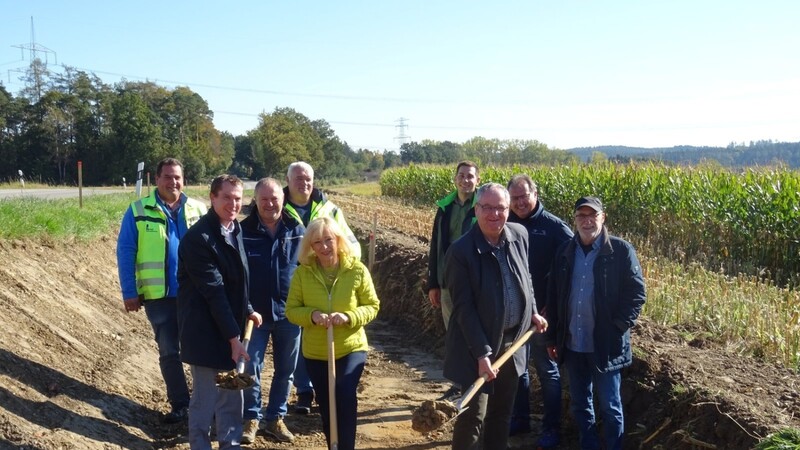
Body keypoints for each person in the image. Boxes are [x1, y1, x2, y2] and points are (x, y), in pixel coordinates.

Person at [443, 183, 548, 450]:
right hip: (476, 348)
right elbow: (463, 309)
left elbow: (527, 279)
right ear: (476, 210)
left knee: (501, 415)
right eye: (487, 208)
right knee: (473, 416)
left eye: (501, 208)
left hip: (513, 345)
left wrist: (533, 312)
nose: (495, 214)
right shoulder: (460, 252)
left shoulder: (519, 235)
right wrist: (482, 354)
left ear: (508, 209)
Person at [545, 196, 646, 450]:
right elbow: (554, 298)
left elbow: (636, 294)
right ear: (575, 220)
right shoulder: (564, 253)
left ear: (603, 218)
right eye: (581, 216)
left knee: (611, 407)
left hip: (606, 345)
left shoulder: (621, 251)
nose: (587, 221)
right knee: (580, 404)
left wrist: (617, 328)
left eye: (593, 215)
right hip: (573, 344)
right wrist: (552, 337)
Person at [115, 157, 206, 424]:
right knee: (169, 351)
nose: (173, 182)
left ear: (183, 180)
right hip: (159, 298)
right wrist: (129, 291)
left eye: (177, 177)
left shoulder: (199, 210)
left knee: (200, 350)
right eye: (167, 177)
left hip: (196, 296)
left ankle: (204, 403)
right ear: (157, 179)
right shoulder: (138, 210)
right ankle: (181, 405)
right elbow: (126, 251)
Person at [177, 174, 263, 450]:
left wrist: (247, 308)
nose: (233, 204)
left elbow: (235, 281)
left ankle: (231, 445)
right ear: (212, 197)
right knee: (205, 400)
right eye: (226, 197)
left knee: (231, 396)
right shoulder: (198, 239)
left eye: (237, 198)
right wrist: (234, 338)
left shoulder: (233, 229)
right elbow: (213, 291)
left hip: (229, 328)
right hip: (205, 333)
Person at [285, 216, 380, 450]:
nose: (325, 247)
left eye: (329, 240)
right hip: (316, 351)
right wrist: (312, 315)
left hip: (350, 346)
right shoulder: (302, 274)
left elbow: (372, 306)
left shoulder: (356, 270)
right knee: (327, 402)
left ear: (338, 240)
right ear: (311, 247)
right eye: (318, 243)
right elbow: (291, 310)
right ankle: (334, 446)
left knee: (345, 395)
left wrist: (349, 317)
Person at [283, 161, 361, 414]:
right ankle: (303, 390)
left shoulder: (330, 209)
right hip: (291, 280)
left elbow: (349, 241)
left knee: (316, 333)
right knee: (298, 340)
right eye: (297, 178)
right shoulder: (278, 207)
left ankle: (321, 390)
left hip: (323, 279)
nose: (303, 183)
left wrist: (349, 268)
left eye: (307, 178)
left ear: (313, 181)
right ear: (288, 180)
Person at [506, 175, 573, 446]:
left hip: (543, 316)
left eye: (525, 196)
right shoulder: (505, 223)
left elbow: (570, 271)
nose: (520, 202)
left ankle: (551, 428)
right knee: (517, 369)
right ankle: (520, 419)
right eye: (515, 198)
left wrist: (553, 307)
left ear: (535, 194)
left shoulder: (555, 228)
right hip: (513, 315)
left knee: (547, 371)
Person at [239, 178, 304, 444]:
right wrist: (246, 308)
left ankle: (276, 417)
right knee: (251, 367)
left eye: (274, 198)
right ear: (255, 201)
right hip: (255, 315)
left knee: (286, 369)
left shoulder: (297, 229)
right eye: (263, 199)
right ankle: (251, 418)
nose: (269, 204)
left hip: (290, 312)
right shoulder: (242, 231)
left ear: (283, 199)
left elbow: (306, 267)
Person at [427, 161, 480, 400]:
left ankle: (475, 385)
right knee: (454, 335)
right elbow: (435, 246)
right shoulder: (445, 208)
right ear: (455, 179)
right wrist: (433, 283)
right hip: (448, 282)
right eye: (461, 176)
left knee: (475, 333)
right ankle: (459, 384)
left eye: (470, 176)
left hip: (476, 284)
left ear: (477, 180)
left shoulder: (483, 206)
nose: (465, 180)